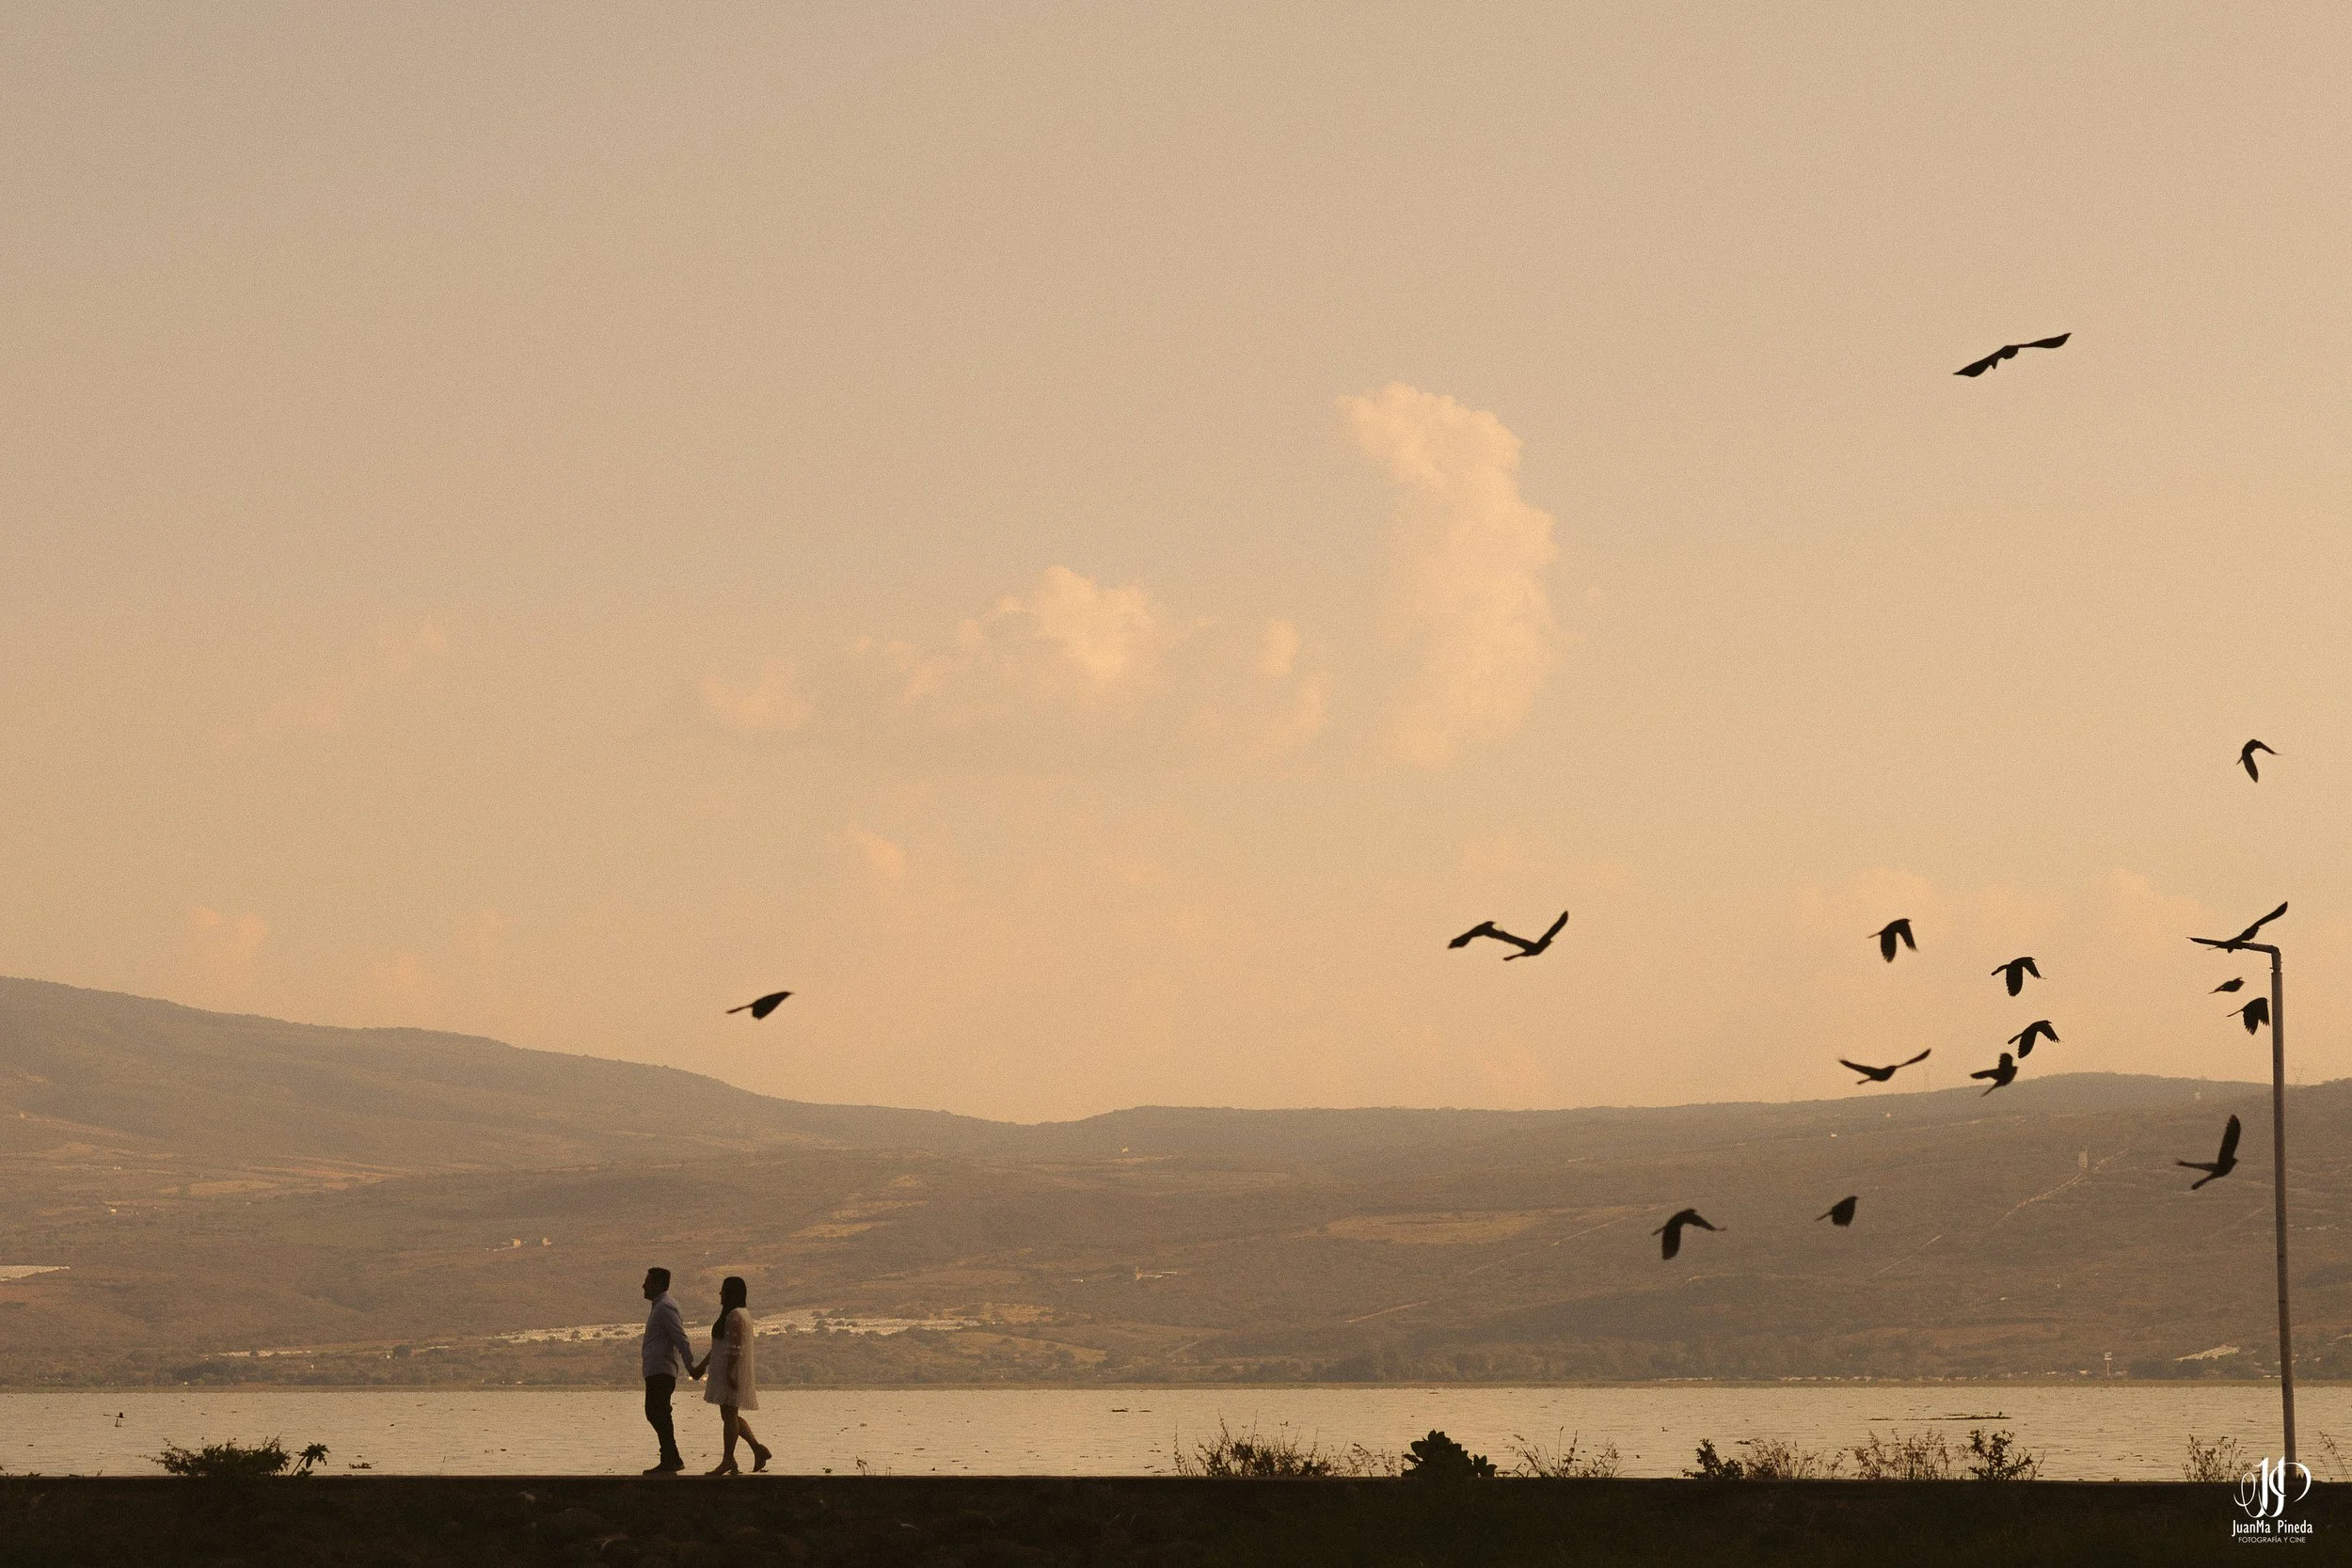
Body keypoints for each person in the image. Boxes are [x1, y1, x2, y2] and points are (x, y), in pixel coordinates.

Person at [690, 1275, 771, 1475]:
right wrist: (702, 1366)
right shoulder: (737, 1314)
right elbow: (720, 1346)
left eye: (723, 1289)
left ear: (731, 1292)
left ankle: (728, 1460)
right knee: (729, 1415)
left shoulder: (735, 1315)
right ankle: (756, 1449)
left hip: (730, 1372)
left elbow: (736, 1348)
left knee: (729, 1415)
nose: (720, 1293)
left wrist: (729, 1373)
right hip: (727, 1371)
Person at [638, 1266, 698, 1475]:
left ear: (658, 1284)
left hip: (662, 1370)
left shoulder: (665, 1307)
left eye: (647, 1281)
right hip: (656, 1369)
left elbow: (680, 1338)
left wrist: (691, 1366)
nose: (643, 1285)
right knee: (657, 1412)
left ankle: (670, 1459)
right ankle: (672, 1457)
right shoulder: (661, 1306)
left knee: (657, 1412)